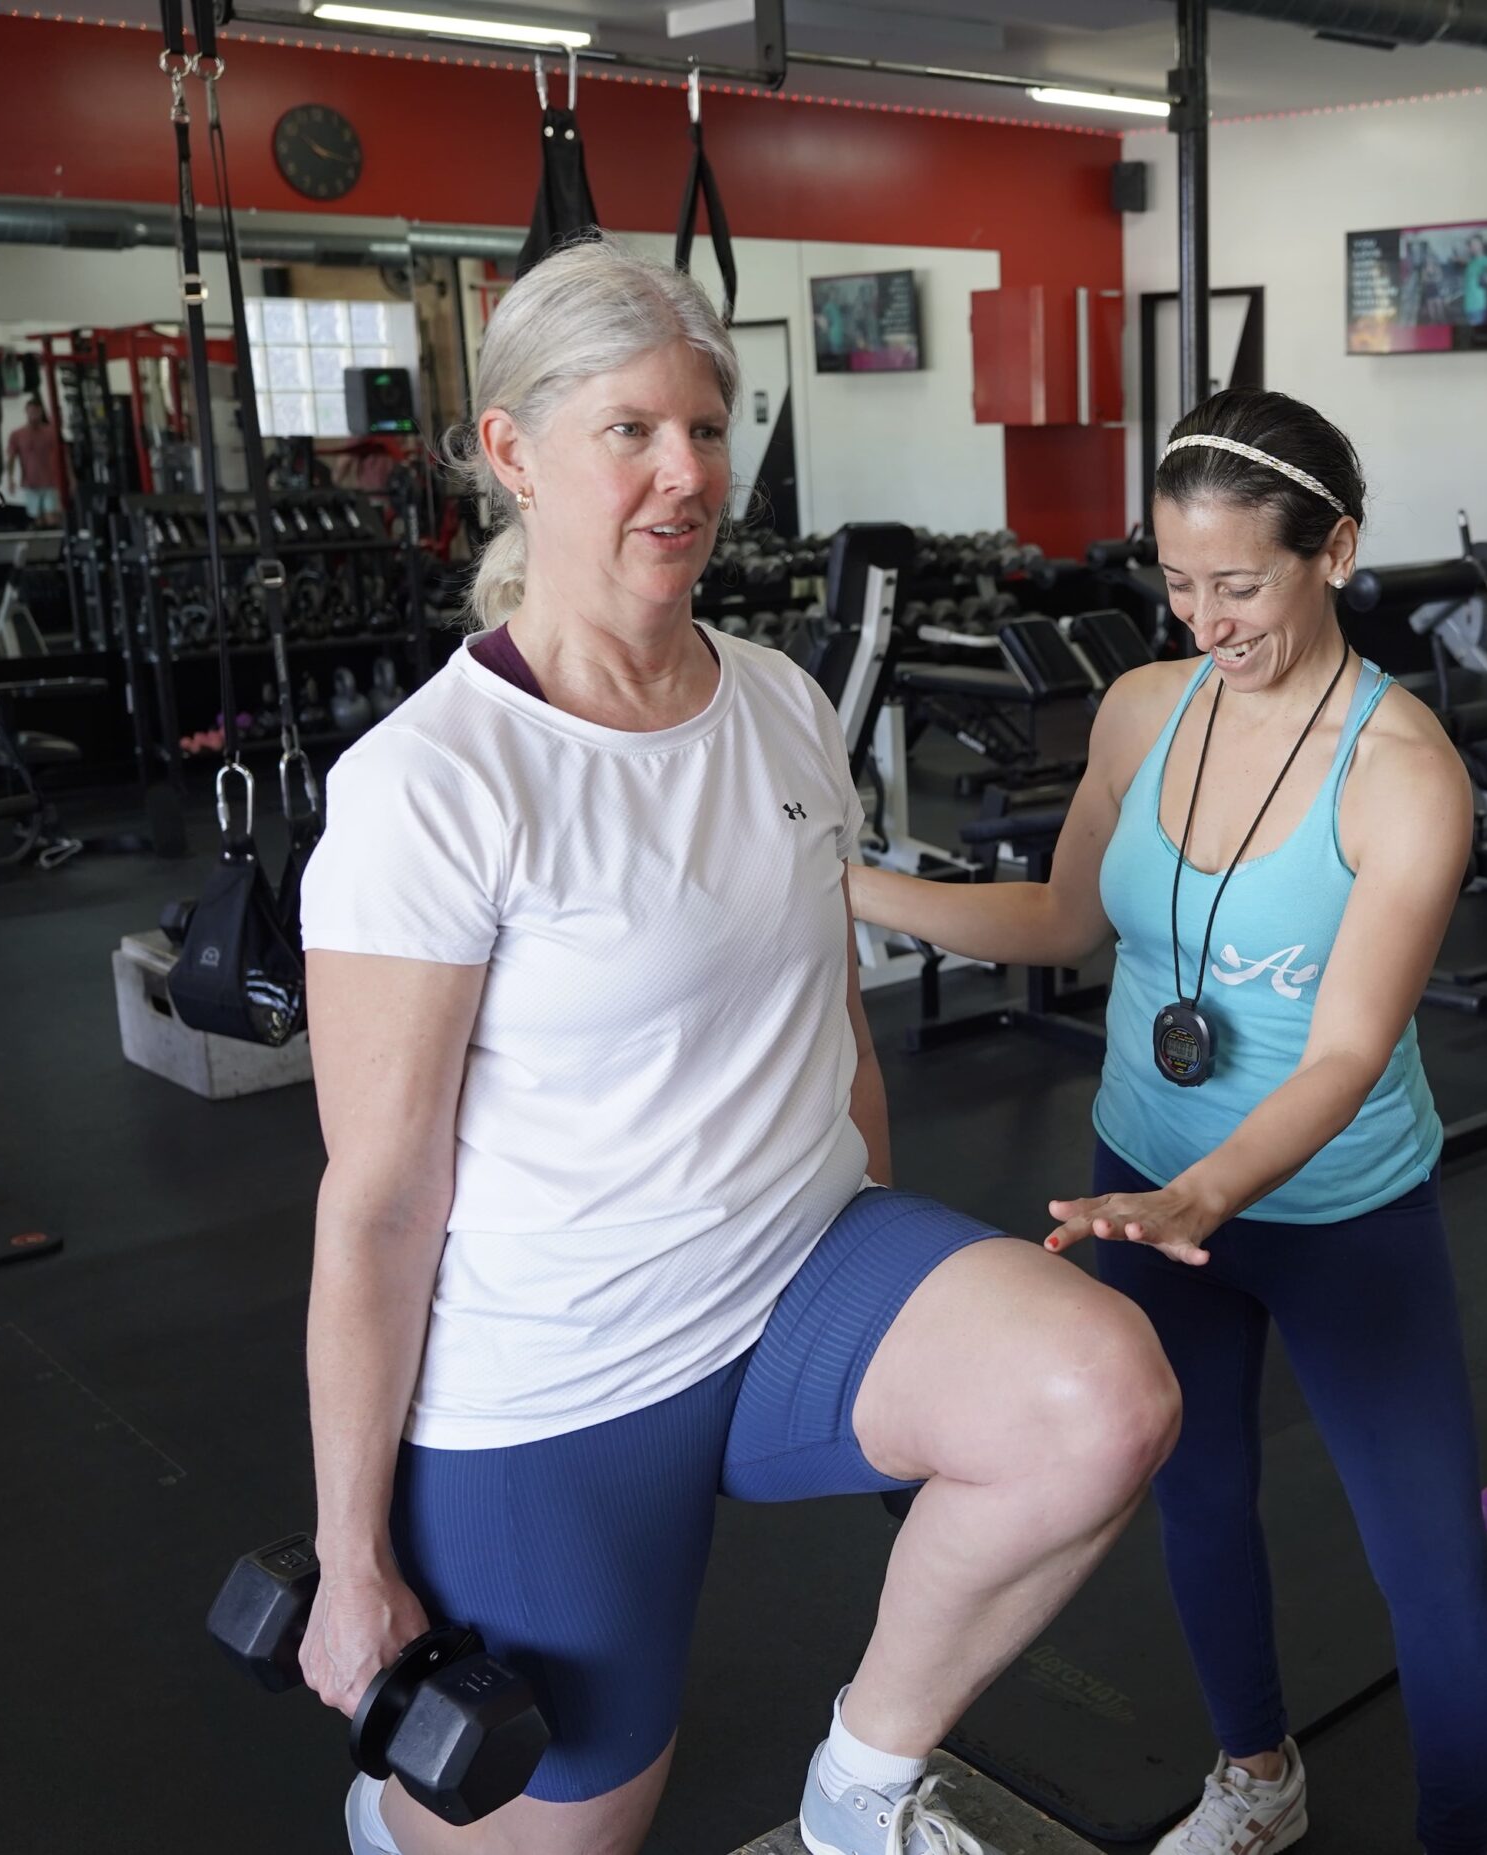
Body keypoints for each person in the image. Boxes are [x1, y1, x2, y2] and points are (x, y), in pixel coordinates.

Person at [293, 238, 1181, 1855]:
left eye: (705, 427)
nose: (686, 473)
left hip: (798, 1275)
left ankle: (859, 1793)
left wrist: (894, 1285)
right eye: (629, 430)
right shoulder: (433, 785)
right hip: (560, 1374)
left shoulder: (777, 699)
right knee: (571, 1837)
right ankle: (392, 1819)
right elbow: (379, 1199)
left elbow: (830, 1013)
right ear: (512, 451)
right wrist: (353, 1554)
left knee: (1096, 1395)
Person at [849, 388, 1487, 1855]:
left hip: (1336, 1209)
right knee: (1198, 1493)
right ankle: (1257, 1774)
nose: (1205, 619)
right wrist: (848, 887)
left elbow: (1348, 1052)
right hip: (1142, 1179)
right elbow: (1061, 918)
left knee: (1429, 1568)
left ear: (1336, 551)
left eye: (1240, 584)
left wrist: (1211, 1190)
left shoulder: (1403, 778)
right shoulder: (1144, 709)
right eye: (1178, 580)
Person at [4, 395, 61, 526]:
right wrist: (10, 479)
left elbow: (63, 456)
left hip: (50, 482)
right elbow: (11, 458)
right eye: (31, 411)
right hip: (30, 484)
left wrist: (70, 478)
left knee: (52, 517)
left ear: (41, 412)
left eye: (36, 411)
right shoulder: (17, 434)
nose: (34, 415)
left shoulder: (50, 432)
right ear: (26, 412)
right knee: (37, 519)